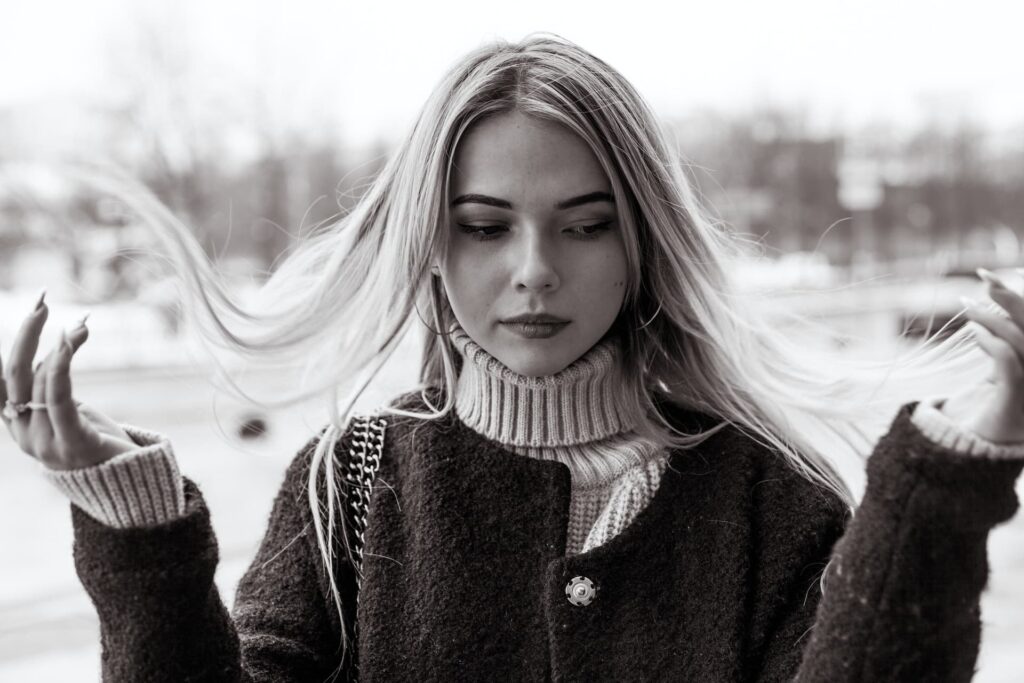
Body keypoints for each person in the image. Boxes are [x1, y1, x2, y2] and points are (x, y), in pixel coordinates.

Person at [3, 33, 1024, 682]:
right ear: (431, 244)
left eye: (584, 226)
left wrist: (941, 488)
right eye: (486, 226)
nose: (534, 271)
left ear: (642, 241)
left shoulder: (772, 499)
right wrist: (132, 523)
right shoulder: (349, 482)